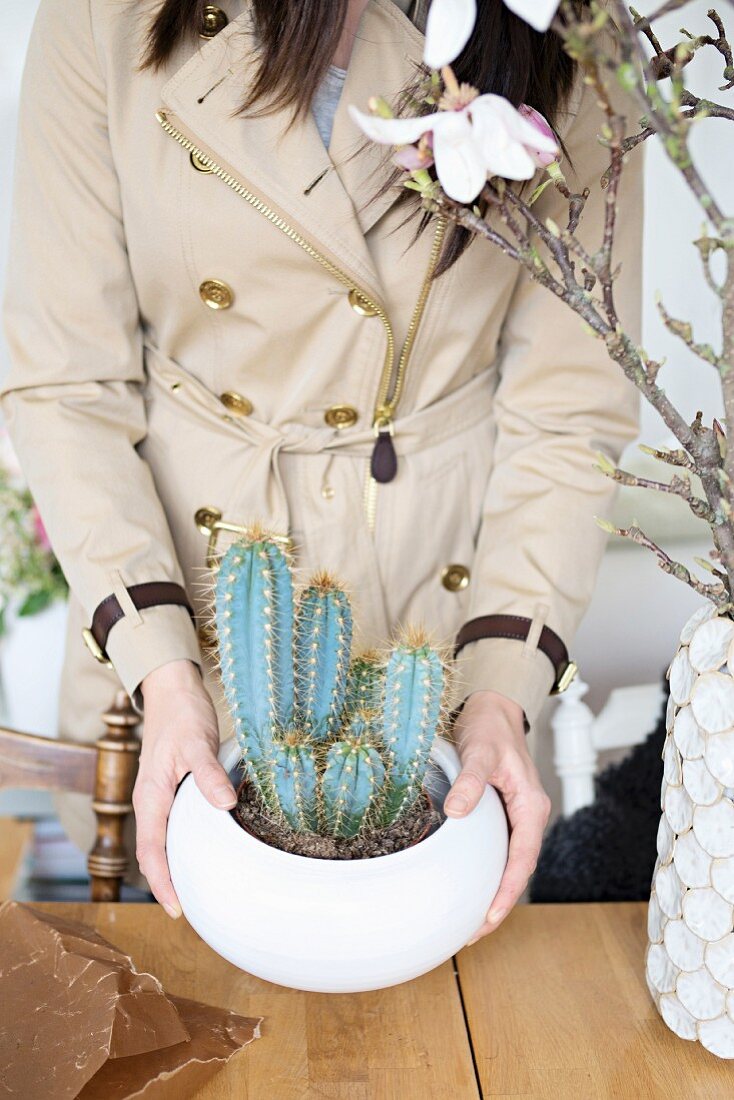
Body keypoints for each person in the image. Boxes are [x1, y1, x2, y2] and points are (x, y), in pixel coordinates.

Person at [1, 0, 642, 940]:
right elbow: (65, 381)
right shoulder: (105, 13)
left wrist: (499, 684)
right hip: (184, 608)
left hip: (436, 631)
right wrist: (164, 677)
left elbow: (570, 406)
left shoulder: (570, 24)